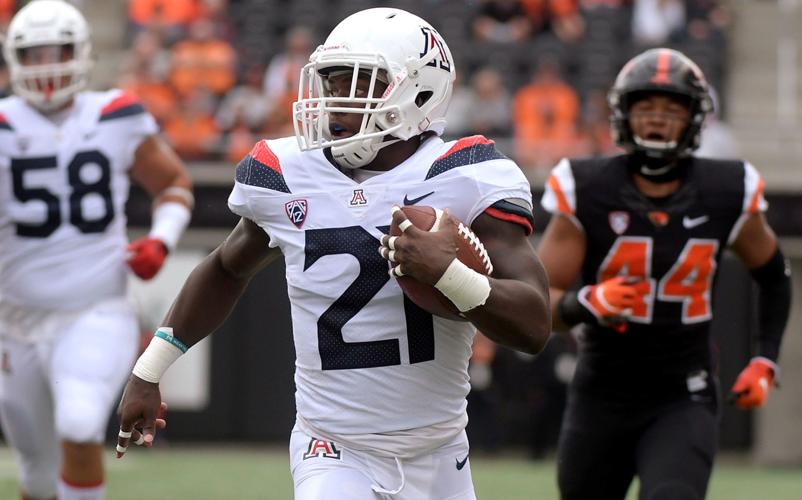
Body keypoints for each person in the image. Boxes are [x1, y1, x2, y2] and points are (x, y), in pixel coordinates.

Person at [116, 7, 551, 500]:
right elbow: (224, 268)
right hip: (332, 446)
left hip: (439, 450)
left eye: (361, 84)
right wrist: (148, 370)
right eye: (333, 83)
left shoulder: (463, 175)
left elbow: (535, 326)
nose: (338, 103)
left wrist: (448, 273)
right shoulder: (287, 173)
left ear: (420, 91)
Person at [537, 47, 792, 500]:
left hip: (683, 392)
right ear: (623, 114)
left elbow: (775, 275)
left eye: (672, 109)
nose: (657, 119)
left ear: (694, 119)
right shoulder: (588, 187)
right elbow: (539, 304)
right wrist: (587, 303)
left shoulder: (727, 189)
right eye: (646, 107)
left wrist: (764, 358)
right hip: (602, 391)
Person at [0, 2, 193, 500]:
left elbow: (173, 182)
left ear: (79, 53)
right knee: (36, 472)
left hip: (95, 308)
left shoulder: (116, 114)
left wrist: (160, 240)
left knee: (81, 424)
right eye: (33, 54)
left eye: (55, 51)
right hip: (13, 322)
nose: (46, 65)